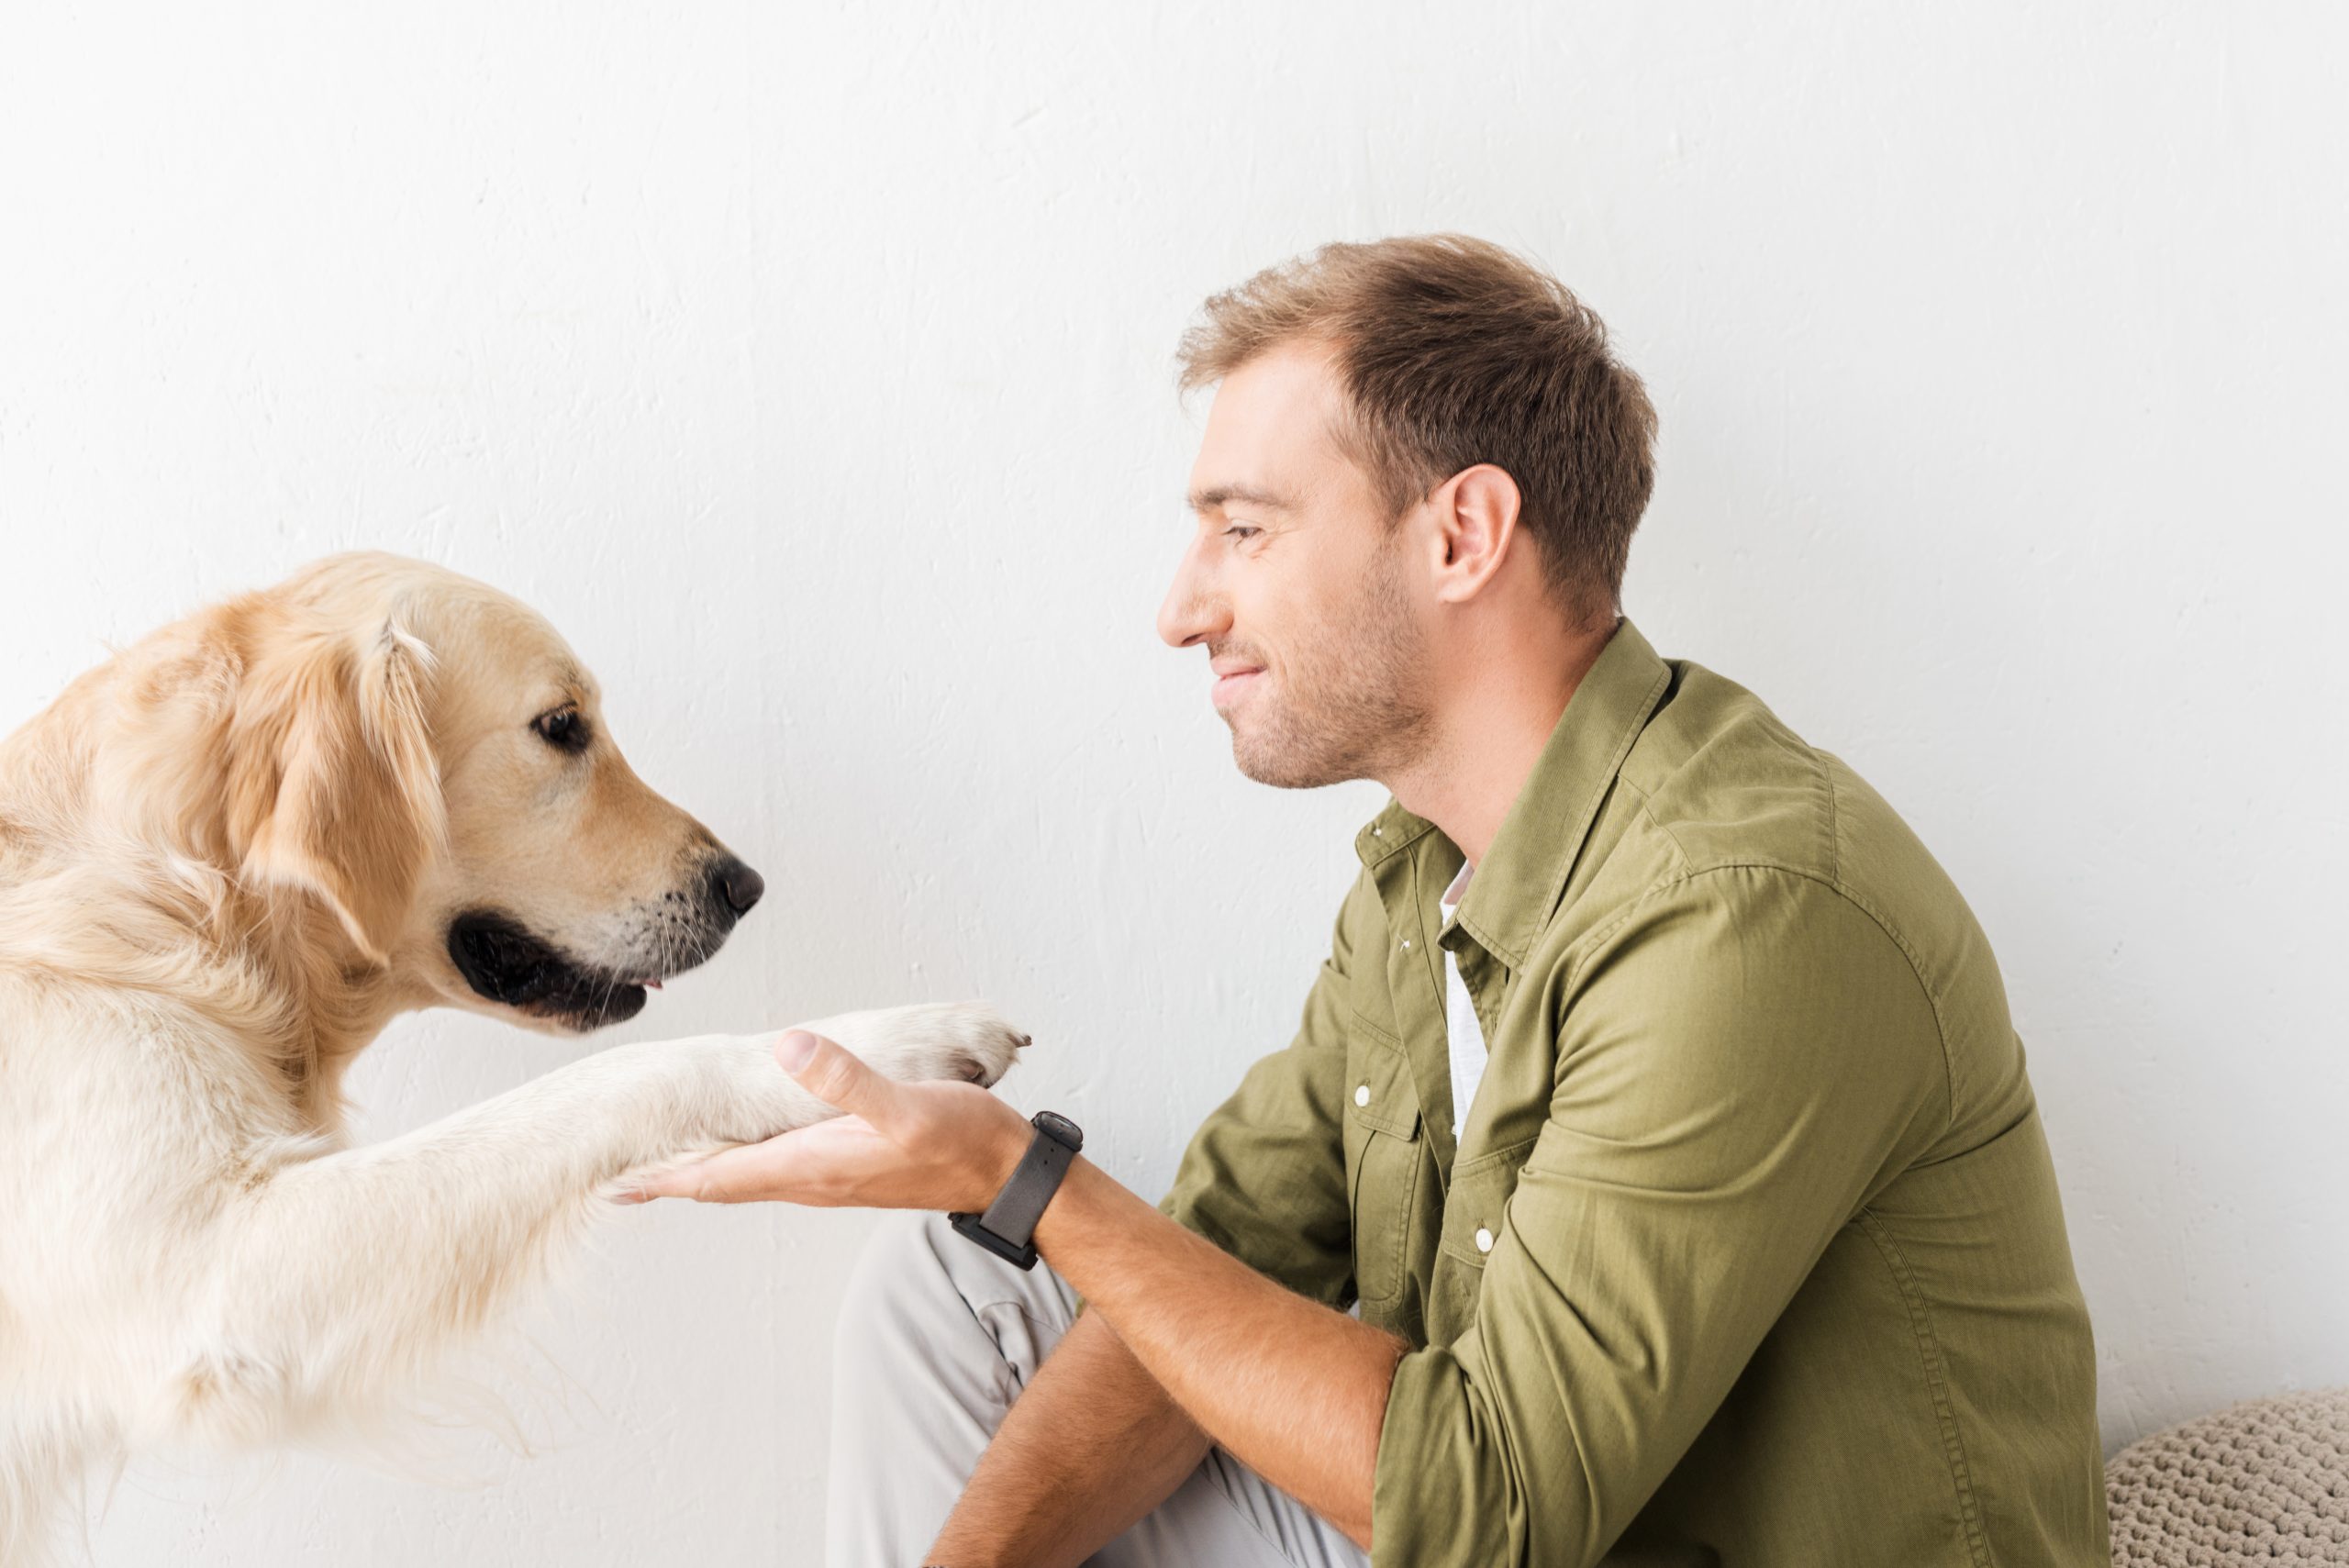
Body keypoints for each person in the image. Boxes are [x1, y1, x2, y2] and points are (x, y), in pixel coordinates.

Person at [639, 234, 2110, 1567]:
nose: (1182, 606)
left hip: (1537, 1528)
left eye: (1247, 529)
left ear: (1464, 534)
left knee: (1044, 1241)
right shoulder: (1422, 877)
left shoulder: (1744, 913)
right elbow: (1206, 1265)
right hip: (1481, 1520)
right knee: (954, 1297)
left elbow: (1491, 1510)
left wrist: (1034, 1178)